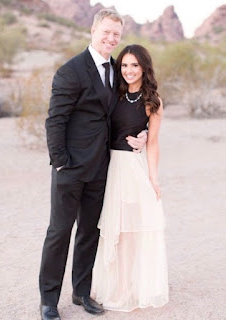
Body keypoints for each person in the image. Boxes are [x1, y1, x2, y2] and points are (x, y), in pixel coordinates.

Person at [39, 9, 147, 320]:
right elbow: (55, 120)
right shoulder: (70, 71)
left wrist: (144, 132)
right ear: (93, 30)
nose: (112, 39)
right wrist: (60, 162)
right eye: (107, 32)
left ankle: (81, 292)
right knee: (59, 232)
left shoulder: (118, 70)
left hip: (102, 167)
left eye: (117, 34)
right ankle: (48, 300)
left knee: (90, 231)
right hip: (70, 167)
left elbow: (132, 110)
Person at [91, 44, 169, 312]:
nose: (128, 70)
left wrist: (153, 179)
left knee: (134, 230)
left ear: (144, 67)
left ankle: (131, 288)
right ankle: (116, 286)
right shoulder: (114, 94)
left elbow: (154, 144)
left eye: (134, 65)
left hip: (132, 169)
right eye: (124, 65)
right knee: (115, 231)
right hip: (109, 167)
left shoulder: (153, 102)